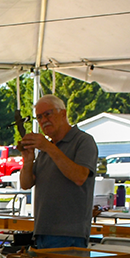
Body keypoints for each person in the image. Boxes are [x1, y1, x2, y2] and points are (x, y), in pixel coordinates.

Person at [19, 94, 98, 249]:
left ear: (63, 114)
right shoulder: (46, 148)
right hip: (42, 231)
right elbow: (26, 184)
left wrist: (49, 147)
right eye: (39, 117)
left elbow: (79, 177)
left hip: (69, 234)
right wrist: (28, 161)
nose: (43, 120)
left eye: (48, 114)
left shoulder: (83, 141)